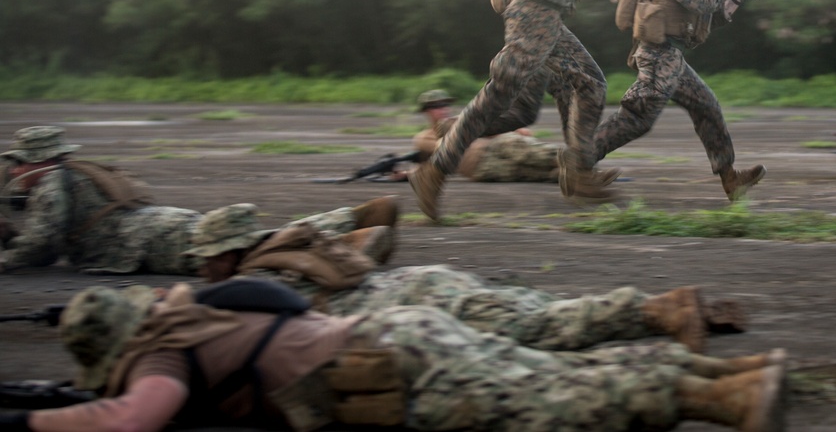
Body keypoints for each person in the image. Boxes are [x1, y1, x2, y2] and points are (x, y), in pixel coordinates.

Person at [8, 278, 788, 432]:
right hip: (394, 328)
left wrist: (32, 425)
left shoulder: (157, 355)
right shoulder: (183, 312)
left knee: (546, 404)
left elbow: (137, 417)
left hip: (389, 367)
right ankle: (724, 377)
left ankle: (720, 401)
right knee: (553, 370)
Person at [185, 202, 751, 354]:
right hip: (418, 283)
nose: (205, 266)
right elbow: (372, 213)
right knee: (535, 310)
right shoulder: (289, 240)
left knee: (538, 330)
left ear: (227, 253)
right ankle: (690, 311)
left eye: (209, 256)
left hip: (414, 302)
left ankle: (665, 310)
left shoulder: (248, 281)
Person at [409, 0, 627, 220]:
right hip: (534, 16)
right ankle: (433, 172)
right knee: (497, 96)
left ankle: (578, 173)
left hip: (543, 16)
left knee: (590, 84)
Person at [0, 125, 397, 274]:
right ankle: (350, 219)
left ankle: (348, 238)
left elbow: (42, 244)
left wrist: (7, 256)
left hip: (140, 240)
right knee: (247, 242)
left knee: (246, 255)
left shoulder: (51, 182)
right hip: (157, 221)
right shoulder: (79, 171)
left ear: (37, 160)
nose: (14, 172)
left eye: (18, 164)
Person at [591, 0, 767, 202]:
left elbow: (708, 17)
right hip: (659, 56)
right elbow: (705, 2)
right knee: (638, 118)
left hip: (671, 58)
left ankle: (730, 178)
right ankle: (579, 161)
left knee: (707, 107)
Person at [412, 89, 559, 183]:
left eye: (445, 104)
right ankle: (572, 171)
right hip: (481, 168)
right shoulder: (424, 137)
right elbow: (441, 154)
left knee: (520, 146)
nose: (443, 109)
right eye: (436, 106)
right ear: (426, 111)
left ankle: (574, 160)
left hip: (494, 147)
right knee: (539, 174)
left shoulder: (458, 122)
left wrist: (512, 129)